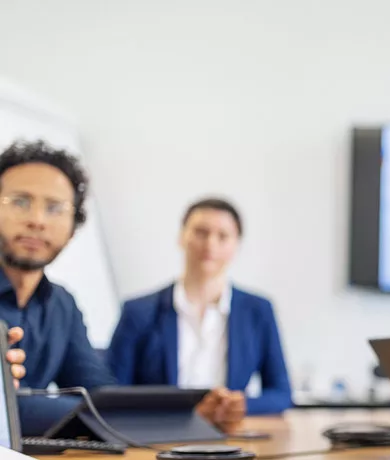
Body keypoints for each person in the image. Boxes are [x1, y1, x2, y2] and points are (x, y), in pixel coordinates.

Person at [108, 198, 292, 432]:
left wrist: (238, 405)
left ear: (236, 246)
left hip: (228, 437)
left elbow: (281, 393)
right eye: (201, 232)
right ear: (181, 237)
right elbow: (112, 395)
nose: (210, 244)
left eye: (223, 236)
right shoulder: (138, 312)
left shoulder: (258, 311)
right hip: (157, 437)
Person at [0, 140, 110, 391]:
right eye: (20, 202)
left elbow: (97, 396)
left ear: (73, 228)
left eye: (54, 208)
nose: (37, 220)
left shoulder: (62, 305)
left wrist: (185, 416)